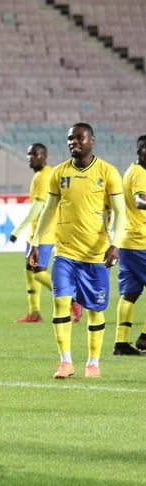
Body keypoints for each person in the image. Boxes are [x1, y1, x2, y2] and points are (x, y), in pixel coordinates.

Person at [29, 122, 125, 379]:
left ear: (91, 141)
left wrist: (115, 244)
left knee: (95, 310)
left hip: (96, 254)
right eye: (70, 138)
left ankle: (93, 363)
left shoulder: (108, 172)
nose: (74, 142)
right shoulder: (59, 172)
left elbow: (121, 212)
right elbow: (49, 210)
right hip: (65, 254)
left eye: (79, 138)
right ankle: (65, 362)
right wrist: (36, 243)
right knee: (60, 302)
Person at [10, 144, 82, 324]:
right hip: (34, 233)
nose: (30, 157)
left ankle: (73, 299)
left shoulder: (44, 176)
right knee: (30, 272)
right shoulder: (39, 174)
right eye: (29, 154)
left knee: (38, 272)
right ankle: (34, 313)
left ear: (44, 156)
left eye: (35, 154)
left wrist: (17, 230)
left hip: (44, 232)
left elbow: (38, 208)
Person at [113, 134, 146, 355]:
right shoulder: (140, 173)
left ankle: (121, 343)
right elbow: (139, 200)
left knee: (130, 293)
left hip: (128, 241)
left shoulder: (132, 171)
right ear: (140, 152)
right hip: (139, 241)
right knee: (130, 293)